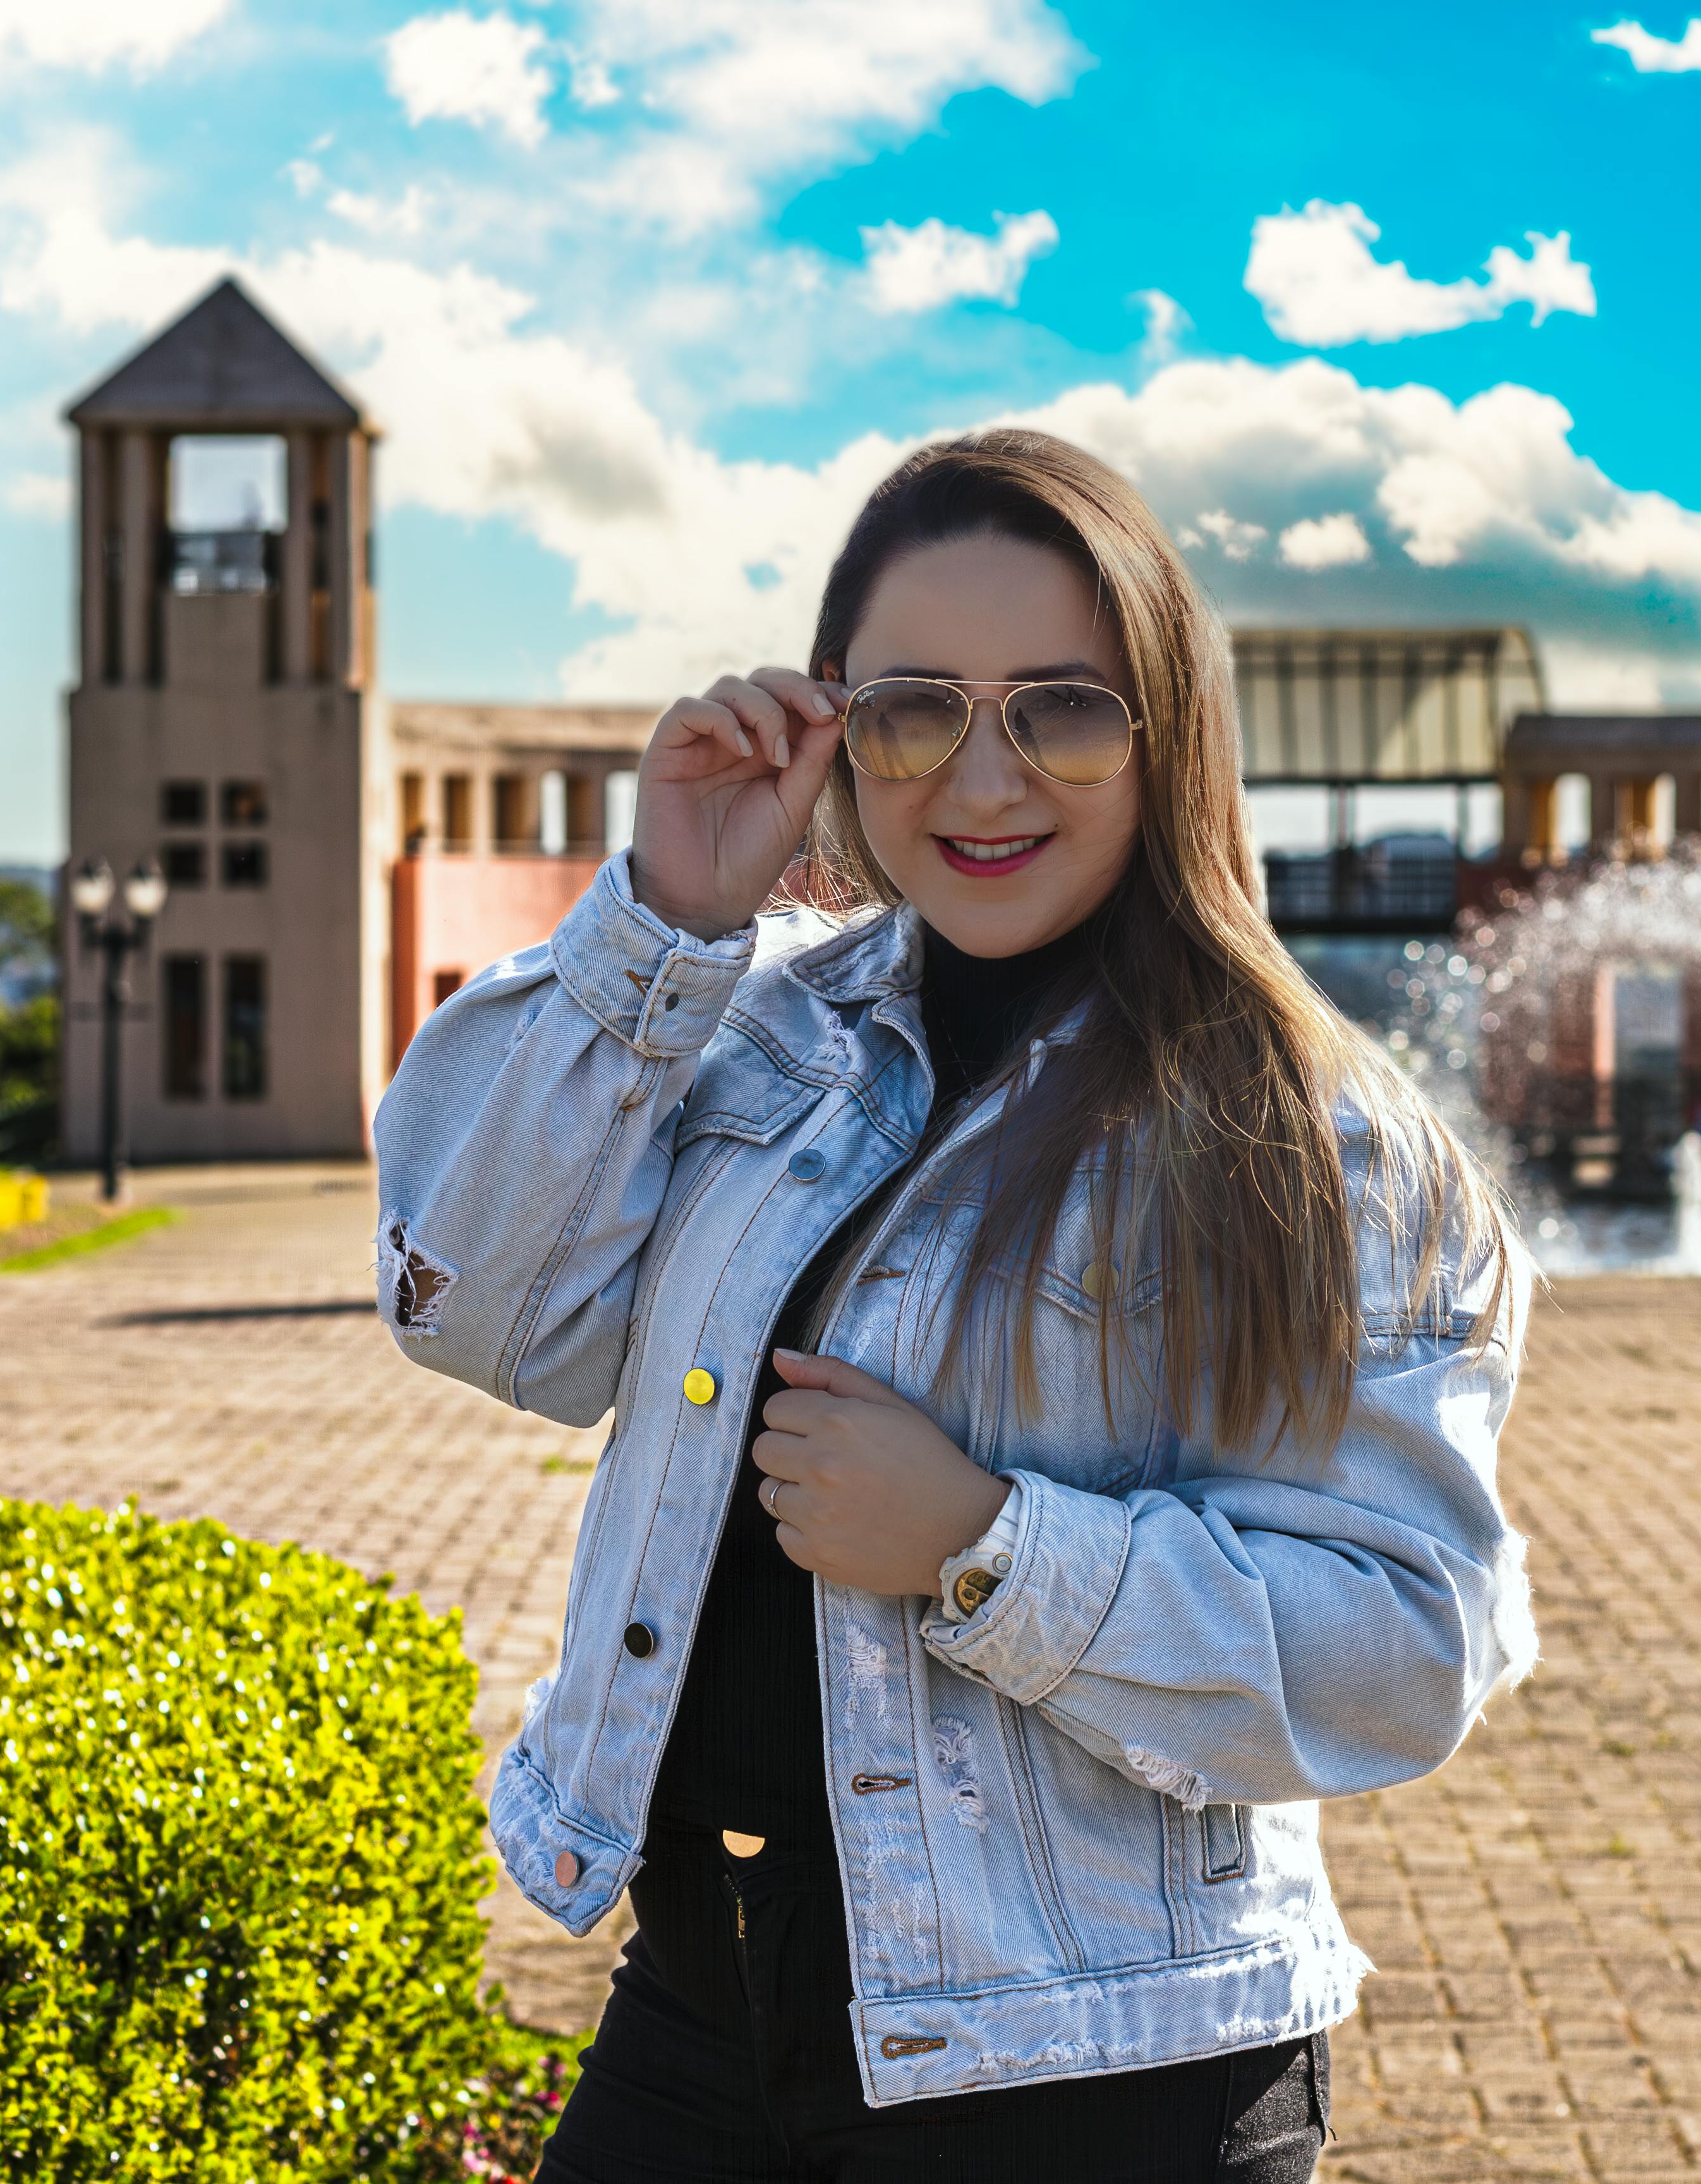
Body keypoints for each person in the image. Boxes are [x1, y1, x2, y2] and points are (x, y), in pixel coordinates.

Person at [375, 430, 1535, 2182]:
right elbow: (476, 1309)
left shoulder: (1314, 1142)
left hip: (1090, 2073)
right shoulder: (755, 1026)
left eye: (1063, 709)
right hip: (702, 2006)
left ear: (1166, 735)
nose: (983, 780)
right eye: (919, 710)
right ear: (838, 724)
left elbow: (1401, 1652)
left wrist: (987, 1549)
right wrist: (670, 913)